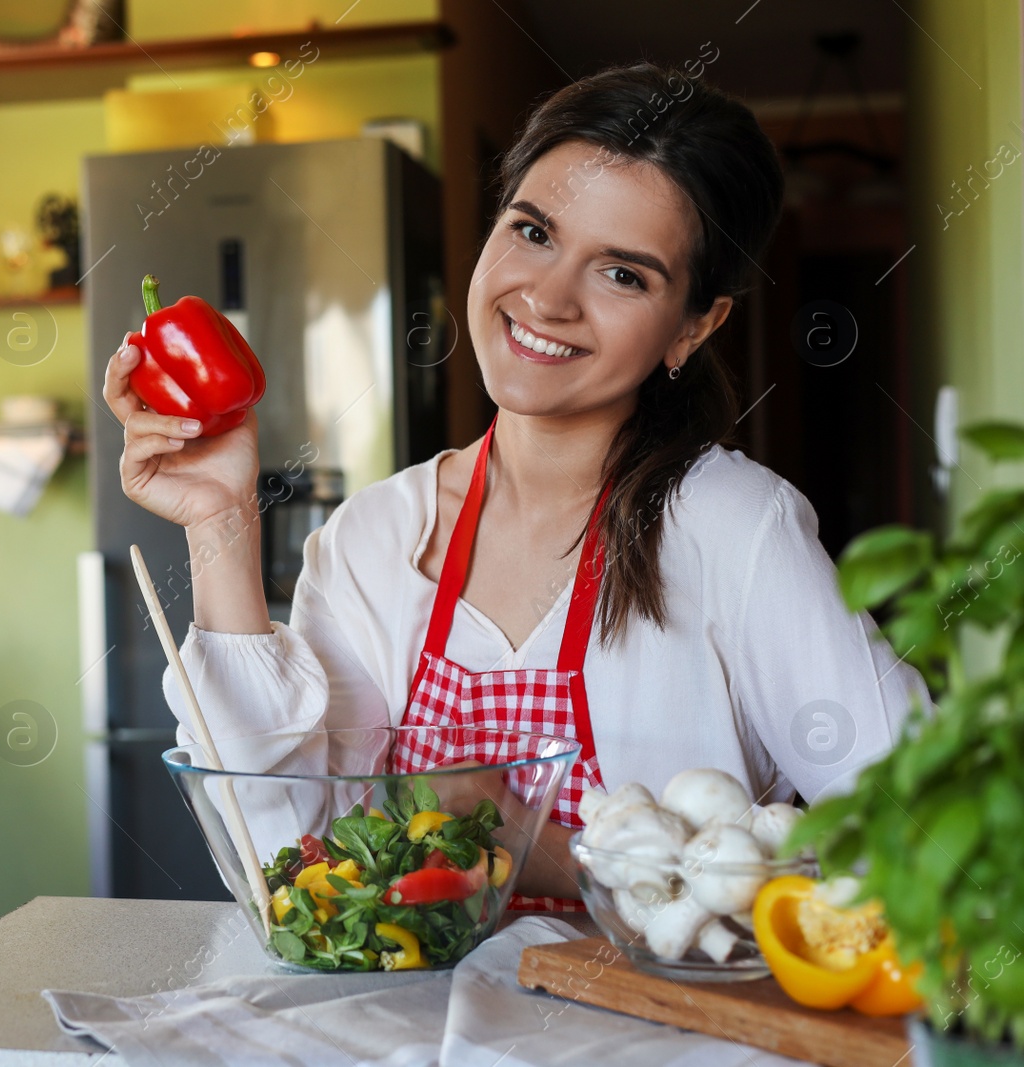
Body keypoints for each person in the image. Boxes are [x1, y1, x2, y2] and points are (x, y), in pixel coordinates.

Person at [101, 64, 922, 909]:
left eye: (623, 274)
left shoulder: (734, 529)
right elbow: (286, 861)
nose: (548, 297)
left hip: (650, 1041)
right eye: (533, 231)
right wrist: (220, 520)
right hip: (410, 1041)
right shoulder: (374, 540)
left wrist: (540, 849)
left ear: (694, 326)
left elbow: (925, 839)